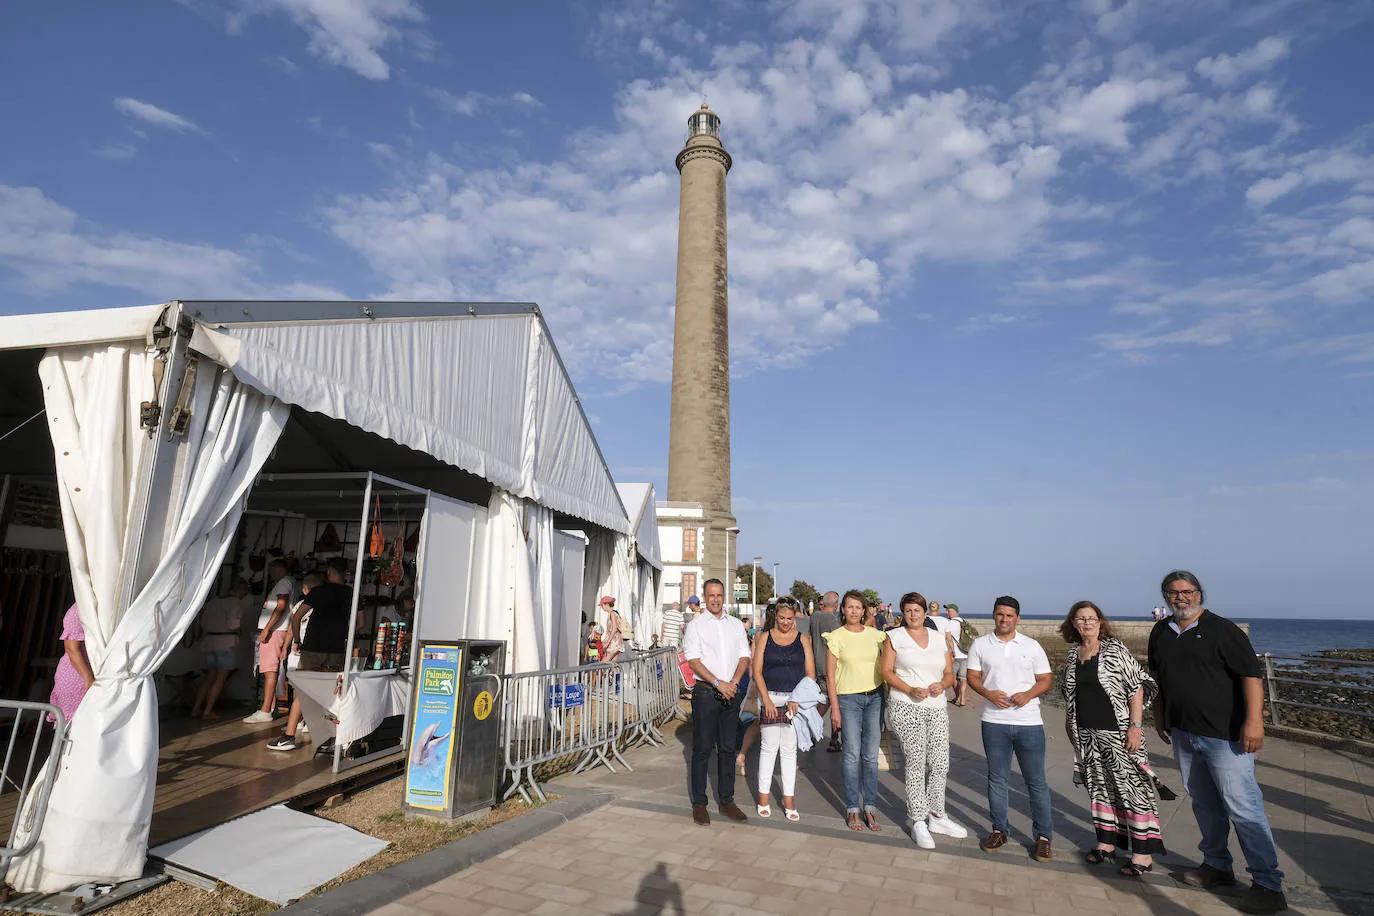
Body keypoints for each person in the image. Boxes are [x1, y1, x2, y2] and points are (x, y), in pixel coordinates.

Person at [1149, 571, 1286, 914]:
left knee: (1243, 806)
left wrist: (1254, 722)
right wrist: (1160, 715)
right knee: (1204, 804)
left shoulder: (1223, 630)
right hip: (1183, 733)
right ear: (1166, 596)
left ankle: (1268, 884)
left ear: (1199, 594)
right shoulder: (1160, 631)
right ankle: (1216, 865)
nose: (1180, 597)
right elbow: (1160, 679)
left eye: (1187, 591)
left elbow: (1251, 677)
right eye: (1173, 592)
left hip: (1226, 736)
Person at [1060, 601, 1166, 876]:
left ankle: (1142, 855)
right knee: (1100, 791)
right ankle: (1106, 845)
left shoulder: (1114, 650)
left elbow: (1137, 687)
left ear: (1100, 622)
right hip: (1087, 735)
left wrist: (1135, 727)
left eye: (1091, 618)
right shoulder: (1073, 654)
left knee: (1131, 791)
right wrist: (1070, 727)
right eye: (1080, 619)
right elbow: (1070, 696)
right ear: (1073, 623)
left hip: (1118, 734)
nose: (1086, 623)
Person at [967, 596, 1054, 861]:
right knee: (997, 779)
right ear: (994, 615)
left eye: (1009, 615)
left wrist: (1028, 694)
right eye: (1000, 614)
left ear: (1017, 618)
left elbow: (1045, 679)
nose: (1004, 619)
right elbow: (972, 676)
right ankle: (999, 830)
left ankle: (1043, 837)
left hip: (1028, 723)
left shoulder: (1032, 645)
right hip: (994, 722)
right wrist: (987, 693)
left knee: (1036, 781)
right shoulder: (981, 644)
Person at [881, 592, 966, 848]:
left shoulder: (940, 639)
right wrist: (909, 689)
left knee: (940, 762)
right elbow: (886, 671)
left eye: (917, 610)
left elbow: (950, 674)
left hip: (936, 706)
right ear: (902, 613)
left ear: (924, 612)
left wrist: (942, 684)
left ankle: (937, 815)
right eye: (908, 611)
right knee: (916, 761)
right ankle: (918, 819)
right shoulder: (894, 637)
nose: (913, 615)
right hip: (906, 706)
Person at [682, 578, 751, 827]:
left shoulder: (735, 625)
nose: (715, 599)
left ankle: (727, 800)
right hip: (706, 693)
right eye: (711, 595)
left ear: (724, 596)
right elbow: (693, 660)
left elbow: (744, 656)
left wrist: (732, 682)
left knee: (728, 748)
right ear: (704, 596)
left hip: (731, 692)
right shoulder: (696, 626)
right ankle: (699, 803)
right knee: (701, 749)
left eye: (719, 595)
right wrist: (717, 682)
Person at [267, 561, 352, 751]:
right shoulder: (350, 593)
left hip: (313, 647)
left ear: (329, 572)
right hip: (337, 649)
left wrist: (297, 639)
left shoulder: (318, 591)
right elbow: (360, 622)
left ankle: (289, 736)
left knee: (303, 691)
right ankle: (331, 738)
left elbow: (297, 617)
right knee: (332, 692)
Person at [825, 589, 888, 832]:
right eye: (849, 607)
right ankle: (853, 808)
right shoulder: (836, 637)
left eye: (858, 607)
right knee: (851, 755)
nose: (854, 611)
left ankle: (870, 807)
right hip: (848, 700)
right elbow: (831, 677)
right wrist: (835, 709)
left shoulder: (877, 636)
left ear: (864, 611)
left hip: (875, 698)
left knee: (871, 757)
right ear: (843, 609)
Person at [750, 596, 815, 821]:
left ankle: (789, 799)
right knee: (768, 748)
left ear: (794, 617)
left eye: (789, 618)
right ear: (775, 617)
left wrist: (797, 699)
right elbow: (756, 670)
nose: (786, 622)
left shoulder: (803, 640)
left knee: (789, 750)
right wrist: (766, 700)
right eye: (782, 618)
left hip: (793, 701)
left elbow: (811, 675)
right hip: (770, 696)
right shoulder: (765, 637)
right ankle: (764, 798)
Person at [244, 559, 297, 724]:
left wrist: (267, 628)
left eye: (272, 570)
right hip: (276, 630)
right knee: (271, 670)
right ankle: (269, 707)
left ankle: (265, 710)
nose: (270, 574)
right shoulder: (289, 582)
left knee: (270, 671)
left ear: (277, 569)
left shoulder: (283, 583)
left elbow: (281, 605)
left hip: (274, 631)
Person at [190, 579, 249, 721]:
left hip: (210, 642)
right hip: (226, 642)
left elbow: (203, 621)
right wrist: (239, 630)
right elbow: (233, 624)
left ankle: (196, 709)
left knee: (210, 677)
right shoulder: (234, 603)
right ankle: (208, 711)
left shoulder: (214, 602)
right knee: (220, 678)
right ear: (239, 591)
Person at [49, 603, 94, 724]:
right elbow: (71, 648)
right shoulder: (78, 610)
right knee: (73, 729)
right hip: (78, 677)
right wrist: (88, 678)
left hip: (91, 677)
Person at [809, 590, 843, 751]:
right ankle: (833, 738)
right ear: (836, 605)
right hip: (830, 667)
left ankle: (812, 727)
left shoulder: (815, 617)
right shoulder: (833, 621)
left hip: (817, 664)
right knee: (831, 701)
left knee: (825, 699)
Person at [598, 596, 626, 664]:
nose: (602, 607)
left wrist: (607, 643)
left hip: (614, 643)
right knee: (612, 665)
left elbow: (614, 629)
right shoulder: (616, 613)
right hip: (618, 642)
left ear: (607, 604)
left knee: (603, 663)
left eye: (602, 605)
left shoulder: (612, 614)